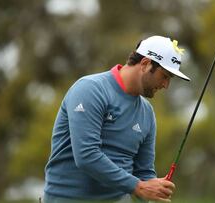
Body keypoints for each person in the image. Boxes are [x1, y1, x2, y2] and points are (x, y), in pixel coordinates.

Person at [43, 35, 190, 203]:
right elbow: (86, 155)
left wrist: (155, 191)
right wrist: (140, 187)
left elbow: (144, 173)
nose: (166, 85)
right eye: (164, 76)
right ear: (145, 64)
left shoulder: (147, 112)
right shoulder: (91, 90)